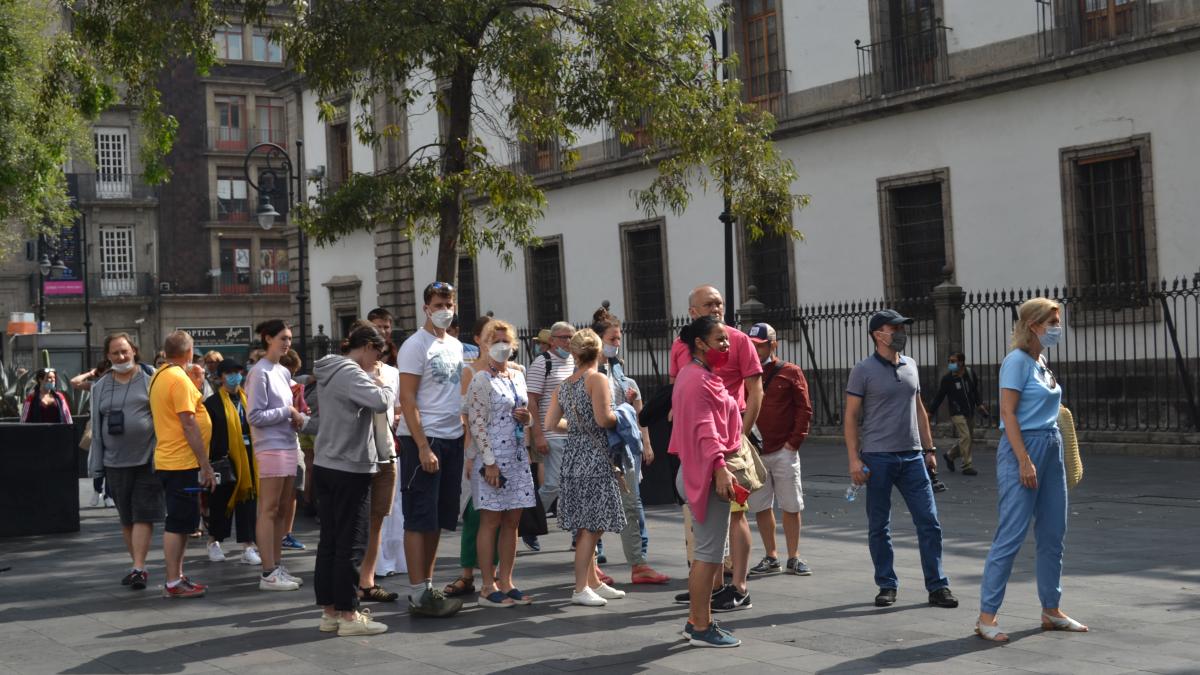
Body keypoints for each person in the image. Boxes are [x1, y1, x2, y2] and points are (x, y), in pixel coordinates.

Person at [976, 298, 1085, 641]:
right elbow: (1008, 414)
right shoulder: (1016, 362)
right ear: (1034, 325)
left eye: (1058, 321)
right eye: (1052, 321)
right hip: (1024, 447)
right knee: (1010, 535)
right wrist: (1024, 459)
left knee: (1054, 533)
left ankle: (1051, 610)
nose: (1057, 327)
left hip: (1050, 447)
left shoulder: (1042, 361)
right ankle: (986, 617)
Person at [844, 309, 957, 609]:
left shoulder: (911, 365)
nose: (899, 333)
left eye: (901, 327)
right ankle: (887, 584)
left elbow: (919, 408)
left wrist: (930, 449)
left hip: (912, 457)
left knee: (929, 522)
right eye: (894, 328)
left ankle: (937, 586)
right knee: (879, 525)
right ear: (877, 334)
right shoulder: (862, 370)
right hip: (877, 457)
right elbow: (851, 417)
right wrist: (854, 460)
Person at [668, 285, 762, 612]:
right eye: (709, 304)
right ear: (693, 311)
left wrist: (740, 437)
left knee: (731, 523)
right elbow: (698, 414)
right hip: (706, 454)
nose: (717, 308)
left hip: (725, 449)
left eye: (720, 303)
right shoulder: (688, 359)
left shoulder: (737, 342)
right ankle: (703, 609)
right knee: (708, 547)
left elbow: (754, 391)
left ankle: (736, 585)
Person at [309, 324, 393, 636]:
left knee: (330, 540)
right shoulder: (353, 373)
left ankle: (329, 611)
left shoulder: (327, 368)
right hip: (350, 467)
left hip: (326, 463)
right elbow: (382, 401)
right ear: (368, 346)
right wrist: (382, 383)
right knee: (351, 542)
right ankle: (348, 615)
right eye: (378, 353)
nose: (378, 360)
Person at [671, 315, 743, 648]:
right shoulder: (698, 379)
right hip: (706, 472)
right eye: (720, 339)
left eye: (727, 339)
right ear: (700, 343)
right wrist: (719, 468)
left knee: (708, 553)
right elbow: (704, 429)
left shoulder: (694, 375)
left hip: (699, 469)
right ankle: (700, 625)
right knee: (709, 555)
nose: (727, 345)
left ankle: (698, 621)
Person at [396, 281, 467, 617]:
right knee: (418, 517)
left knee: (438, 518)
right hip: (424, 440)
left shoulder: (454, 344)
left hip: (453, 438)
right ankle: (416, 591)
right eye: (439, 304)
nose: (445, 310)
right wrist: (423, 446)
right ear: (426, 307)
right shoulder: (414, 345)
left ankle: (427, 585)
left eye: (449, 304)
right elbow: (408, 398)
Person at [545, 328, 627, 607]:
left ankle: (592, 582)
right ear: (598, 351)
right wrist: (624, 416)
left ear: (575, 353)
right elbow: (605, 420)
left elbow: (551, 424)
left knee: (585, 526)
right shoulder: (597, 379)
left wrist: (579, 426)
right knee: (592, 527)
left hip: (573, 457)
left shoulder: (564, 385)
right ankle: (581, 587)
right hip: (595, 457)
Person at [593, 307, 670, 585]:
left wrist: (644, 441)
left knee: (631, 505)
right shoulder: (588, 370)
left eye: (619, 338)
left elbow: (635, 410)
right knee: (596, 506)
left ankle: (638, 563)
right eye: (613, 338)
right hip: (596, 446)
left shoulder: (618, 369)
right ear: (599, 339)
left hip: (622, 448)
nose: (617, 343)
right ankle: (590, 563)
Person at [466, 319, 536, 607]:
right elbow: (476, 423)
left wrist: (527, 419)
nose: (501, 346)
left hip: (518, 457)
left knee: (512, 521)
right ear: (483, 344)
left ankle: (507, 580)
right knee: (491, 520)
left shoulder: (518, 375)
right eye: (495, 341)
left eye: (506, 341)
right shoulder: (481, 379)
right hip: (492, 459)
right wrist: (490, 462)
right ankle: (486, 584)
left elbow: (527, 413)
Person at [336, 319, 402, 603]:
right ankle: (347, 585)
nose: (379, 357)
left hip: (386, 453)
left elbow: (395, 406)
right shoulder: (347, 372)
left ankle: (368, 580)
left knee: (377, 522)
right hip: (358, 456)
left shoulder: (391, 373)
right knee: (353, 523)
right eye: (377, 350)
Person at [88, 333, 161, 590]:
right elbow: (96, 428)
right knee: (127, 518)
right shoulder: (100, 387)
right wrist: (96, 464)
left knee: (142, 514)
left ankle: (138, 567)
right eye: (115, 353)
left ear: (134, 351)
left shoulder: (150, 378)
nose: (121, 356)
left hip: (147, 460)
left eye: (125, 351)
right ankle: (137, 566)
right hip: (114, 462)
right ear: (107, 356)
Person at [148, 330, 215, 598]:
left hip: (172, 459)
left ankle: (177, 576)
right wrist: (205, 464)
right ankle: (173, 581)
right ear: (189, 352)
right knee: (177, 523)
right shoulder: (178, 379)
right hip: (180, 462)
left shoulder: (161, 375)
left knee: (183, 522)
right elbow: (188, 423)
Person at [745, 323, 814, 578]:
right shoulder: (747, 373)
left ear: (773, 344)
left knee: (791, 504)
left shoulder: (790, 372)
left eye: (760, 345)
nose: (756, 350)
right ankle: (771, 555)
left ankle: (793, 556)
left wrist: (793, 443)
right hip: (757, 449)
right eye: (752, 346)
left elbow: (804, 409)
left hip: (783, 449)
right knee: (761, 505)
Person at [246, 320, 306, 592]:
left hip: (288, 442)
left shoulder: (282, 371)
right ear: (268, 339)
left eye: (290, 338)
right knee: (269, 508)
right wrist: (287, 413)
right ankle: (268, 571)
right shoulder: (259, 373)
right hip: (270, 446)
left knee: (283, 508)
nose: (287, 343)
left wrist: (297, 417)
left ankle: (277, 566)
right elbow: (255, 416)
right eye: (282, 338)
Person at [444, 314, 499, 599]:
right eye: (490, 338)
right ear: (477, 339)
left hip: (505, 450)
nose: (496, 344)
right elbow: (465, 416)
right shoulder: (468, 371)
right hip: (476, 450)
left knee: (503, 516)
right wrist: (468, 454)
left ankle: (499, 573)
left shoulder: (512, 370)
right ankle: (468, 574)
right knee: (474, 513)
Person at [202, 359, 261, 566]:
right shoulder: (212, 403)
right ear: (220, 377)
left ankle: (248, 545)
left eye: (237, 372)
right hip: (224, 459)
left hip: (248, 457)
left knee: (248, 502)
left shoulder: (248, 398)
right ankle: (213, 541)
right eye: (229, 373)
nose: (235, 376)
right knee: (220, 502)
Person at [528, 322, 575, 514]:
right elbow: (531, 401)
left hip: (574, 431)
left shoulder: (575, 361)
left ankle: (578, 535)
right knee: (554, 484)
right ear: (553, 340)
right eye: (564, 337)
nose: (568, 342)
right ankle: (532, 520)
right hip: (552, 433)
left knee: (574, 486)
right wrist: (538, 435)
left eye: (571, 337)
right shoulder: (542, 363)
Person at [929, 352, 989, 477]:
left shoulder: (970, 374)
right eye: (949, 361)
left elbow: (975, 391)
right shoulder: (947, 379)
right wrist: (931, 412)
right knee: (966, 437)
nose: (950, 364)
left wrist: (979, 404)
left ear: (961, 362)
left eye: (953, 361)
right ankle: (967, 466)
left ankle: (950, 455)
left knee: (967, 439)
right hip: (956, 412)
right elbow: (939, 396)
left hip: (969, 411)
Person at [278, 349, 308, 552]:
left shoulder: (297, 387)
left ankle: (285, 533)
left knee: (293, 491)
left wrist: (304, 414)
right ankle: (273, 533)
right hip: (275, 445)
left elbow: (304, 410)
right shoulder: (269, 384)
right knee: (275, 494)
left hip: (293, 442)